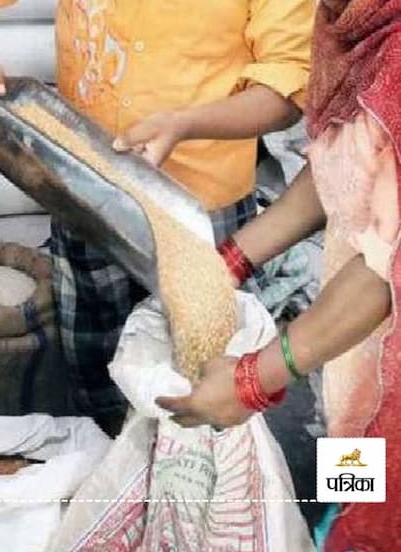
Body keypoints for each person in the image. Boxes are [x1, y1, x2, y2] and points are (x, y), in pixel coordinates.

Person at [0, 0, 314, 434]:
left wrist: (185, 124)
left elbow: (288, 90)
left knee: (210, 382)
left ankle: (206, 479)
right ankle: (115, 465)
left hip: (203, 214)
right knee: (100, 367)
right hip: (86, 196)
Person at [158, 1, 401, 549]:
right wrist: (227, 263)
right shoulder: (353, 19)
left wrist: (254, 380)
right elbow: (346, 159)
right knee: (352, 437)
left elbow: (383, 268)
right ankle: (340, 519)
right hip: (362, 347)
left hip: (382, 314)